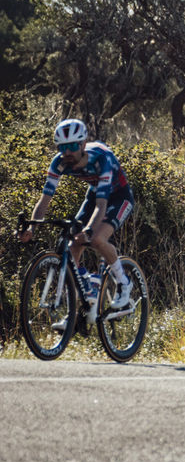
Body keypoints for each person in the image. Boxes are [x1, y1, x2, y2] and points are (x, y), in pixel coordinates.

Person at [20, 119, 136, 328]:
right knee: (73, 246)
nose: (67, 152)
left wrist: (89, 230)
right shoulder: (59, 162)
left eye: (72, 146)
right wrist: (32, 227)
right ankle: (78, 308)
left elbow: (102, 206)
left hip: (119, 196)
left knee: (98, 239)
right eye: (62, 148)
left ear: (83, 144)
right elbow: (44, 200)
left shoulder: (102, 160)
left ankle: (124, 283)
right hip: (95, 194)